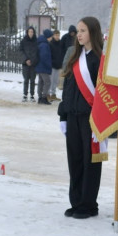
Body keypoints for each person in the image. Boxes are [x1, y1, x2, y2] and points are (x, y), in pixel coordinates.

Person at [58, 16, 105, 219]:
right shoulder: (75, 58)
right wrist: (63, 114)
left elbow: (103, 94)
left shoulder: (99, 60)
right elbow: (67, 89)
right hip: (73, 116)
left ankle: (88, 204)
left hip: (90, 119)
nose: (79, 34)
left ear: (92, 33)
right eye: (78, 30)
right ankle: (76, 201)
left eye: (83, 30)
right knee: (75, 160)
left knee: (90, 162)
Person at [20, 26, 40, 102]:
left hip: (33, 64)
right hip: (25, 64)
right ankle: (25, 95)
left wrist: (33, 61)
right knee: (26, 80)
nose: (31, 33)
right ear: (27, 32)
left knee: (32, 80)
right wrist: (26, 60)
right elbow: (21, 51)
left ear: (34, 33)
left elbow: (38, 53)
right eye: (29, 32)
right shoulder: (23, 41)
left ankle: (32, 95)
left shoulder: (36, 41)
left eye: (32, 32)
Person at [36, 29, 54, 105]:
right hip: (43, 66)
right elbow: (44, 57)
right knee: (47, 82)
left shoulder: (41, 43)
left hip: (40, 66)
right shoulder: (44, 45)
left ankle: (40, 97)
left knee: (41, 82)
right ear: (48, 37)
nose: (52, 38)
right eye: (51, 37)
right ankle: (43, 97)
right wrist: (48, 65)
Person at [47, 29, 62, 100]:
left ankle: (53, 94)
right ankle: (48, 94)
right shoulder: (51, 44)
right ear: (53, 35)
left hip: (58, 65)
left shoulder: (60, 43)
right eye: (56, 35)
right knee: (50, 80)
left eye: (58, 35)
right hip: (52, 65)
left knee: (56, 81)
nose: (57, 37)